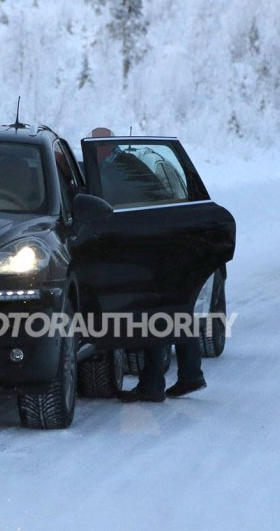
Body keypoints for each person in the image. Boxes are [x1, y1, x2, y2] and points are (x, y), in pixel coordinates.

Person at [86, 127, 207, 403]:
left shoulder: (119, 169)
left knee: (153, 316)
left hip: (150, 249)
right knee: (173, 313)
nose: (95, 152)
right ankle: (190, 375)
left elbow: (119, 207)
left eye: (96, 146)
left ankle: (154, 384)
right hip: (163, 245)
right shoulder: (127, 164)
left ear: (105, 147)